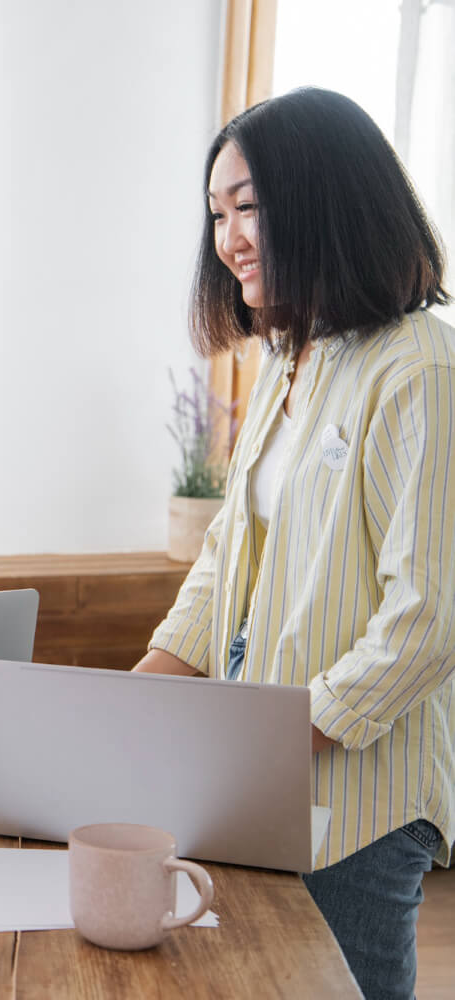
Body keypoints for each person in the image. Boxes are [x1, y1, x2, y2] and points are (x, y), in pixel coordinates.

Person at [137, 88, 453, 998]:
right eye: (217, 214)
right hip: (256, 777)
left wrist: (275, 740)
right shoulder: (287, 358)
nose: (229, 237)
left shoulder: (423, 368)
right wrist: (137, 700)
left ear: (326, 201)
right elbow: (227, 557)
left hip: (357, 796)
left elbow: (428, 618)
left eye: (250, 208)